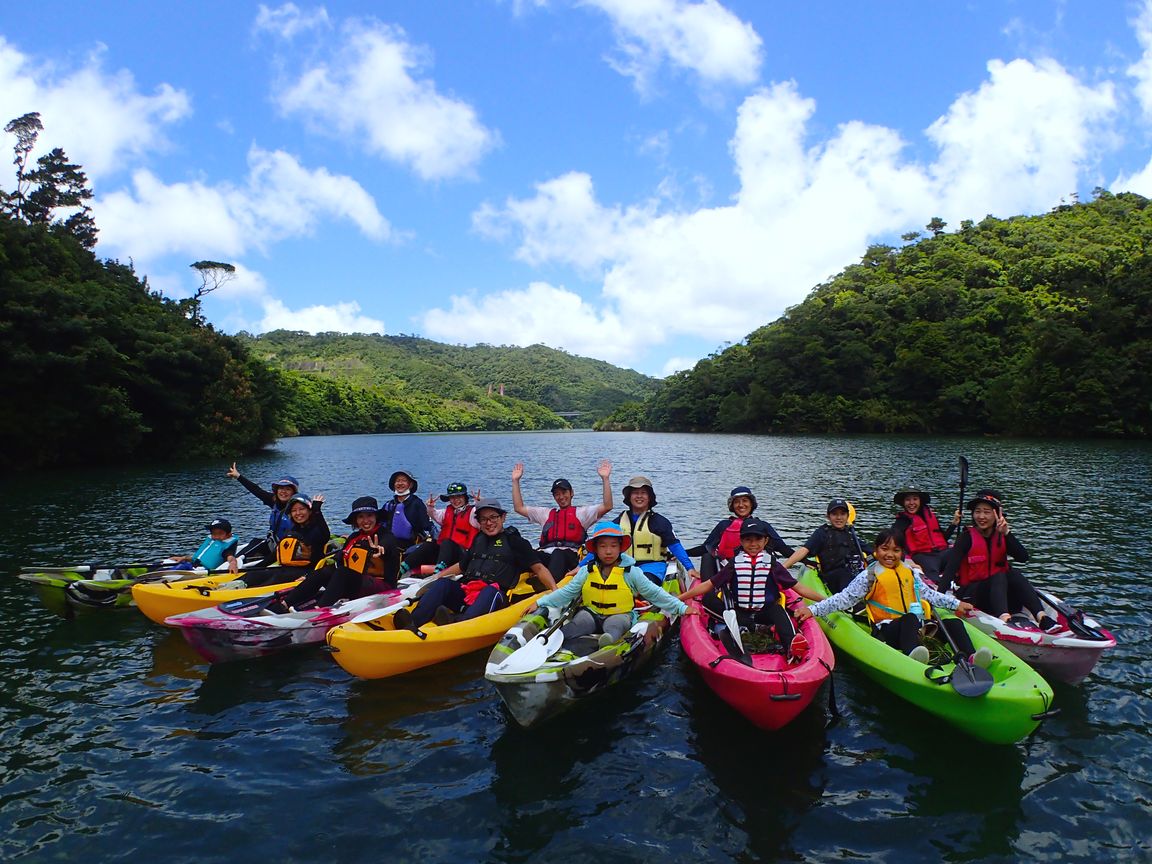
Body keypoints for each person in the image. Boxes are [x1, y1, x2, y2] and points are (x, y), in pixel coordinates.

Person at [794, 529, 991, 666]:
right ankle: (913, 658)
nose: (890, 554)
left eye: (896, 550)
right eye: (885, 549)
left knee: (954, 623)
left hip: (917, 627)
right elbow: (843, 599)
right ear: (876, 550)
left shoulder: (910, 573)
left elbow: (930, 595)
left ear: (902, 552)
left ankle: (971, 657)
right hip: (888, 631)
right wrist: (812, 610)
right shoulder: (869, 576)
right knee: (910, 619)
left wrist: (957, 603)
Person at [393, 499, 555, 629]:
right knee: (443, 584)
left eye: (493, 517)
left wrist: (556, 592)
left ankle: (457, 622)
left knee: (489, 591)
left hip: (494, 596)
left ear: (503, 517)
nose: (489, 523)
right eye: (483, 519)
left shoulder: (516, 542)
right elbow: (462, 566)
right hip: (467, 591)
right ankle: (412, 623)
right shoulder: (478, 539)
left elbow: (539, 568)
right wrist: (436, 578)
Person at [533, 521, 696, 649]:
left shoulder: (631, 572)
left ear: (620, 548)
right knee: (579, 622)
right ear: (595, 549)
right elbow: (566, 593)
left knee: (614, 625)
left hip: (620, 615)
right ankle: (554, 640)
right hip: (591, 612)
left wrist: (681, 608)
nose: (608, 551)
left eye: (613, 546)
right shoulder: (586, 571)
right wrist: (540, 602)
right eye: (603, 546)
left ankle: (608, 643)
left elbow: (656, 594)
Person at [681, 518, 818, 662]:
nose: (753, 544)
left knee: (779, 611)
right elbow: (708, 585)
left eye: (758, 539)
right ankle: (752, 627)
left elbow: (799, 588)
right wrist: (681, 598)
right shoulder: (734, 564)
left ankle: (791, 648)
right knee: (708, 600)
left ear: (765, 541)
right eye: (748, 539)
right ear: (741, 541)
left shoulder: (773, 565)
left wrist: (825, 600)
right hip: (739, 612)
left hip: (765, 612)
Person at [936, 490, 1061, 632]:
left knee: (1013, 574)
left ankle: (1042, 617)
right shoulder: (966, 538)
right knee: (999, 575)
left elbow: (1023, 558)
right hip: (973, 596)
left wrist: (1007, 534)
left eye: (987, 512)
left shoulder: (1002, 534)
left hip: (1001, 596)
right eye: (977, 512)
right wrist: (938, 599)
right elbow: (950, 571)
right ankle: (1005, 619)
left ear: (997, 515)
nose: (981, 516)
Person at [274, 496, 391, 611]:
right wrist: (308, 577)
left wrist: (381, 548)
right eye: (361, 517)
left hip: (381, 587)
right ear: (356, 520)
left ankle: (320, 609)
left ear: (376, 516)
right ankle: (285, 604)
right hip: (356, 583)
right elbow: (338, 560)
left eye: (369, 515)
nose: (365, 521)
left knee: (342, 572)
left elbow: (387, 544)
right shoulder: (354, 537)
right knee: (325, 571)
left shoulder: (385, 536)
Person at [511, 460, 613, 584]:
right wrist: (515, 481)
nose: (561, 497)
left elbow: (607, 506)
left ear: (571, 493)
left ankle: (547, 584)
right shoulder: (546, 514)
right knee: (523, 550)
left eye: (564, 492)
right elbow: (519, 508)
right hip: (547, 556)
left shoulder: (581, 513)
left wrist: (605, 479)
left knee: (559, 553)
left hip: (569, 556)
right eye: (557, 494)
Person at [613, 475, 700, 586]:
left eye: (643, 493)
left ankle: (643, 600)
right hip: (624, 566)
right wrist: (583, 565)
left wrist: (690, 568)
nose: (639, 496)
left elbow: (675, 546)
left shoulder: (660, 522)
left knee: (643, 583)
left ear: (649, 497)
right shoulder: (618, 522)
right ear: (629, 497)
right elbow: (601, 543)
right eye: (635, 493)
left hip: (652, 567)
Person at [231, 493, 331, 588]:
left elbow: (325, 534)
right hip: (286, 569)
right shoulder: (291, 532)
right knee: (254, 575)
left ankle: (247, 593)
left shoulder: (316, 530)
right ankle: (227, 587)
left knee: (276, 578)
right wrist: (253, 569)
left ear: (309, 511)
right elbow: (275, 555)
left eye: (302, 509)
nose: (298, 513)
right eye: (294, 510)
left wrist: (317, 511)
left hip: (308, 572)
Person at [698, 486, 793, 581]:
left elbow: (783, 548)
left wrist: (805, 558)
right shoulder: (723, 525)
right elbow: (705, 548)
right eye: (736, 502)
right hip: (728, 569)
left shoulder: (762, 526)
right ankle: (708, 594)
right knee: (707, 556)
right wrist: (684, 555)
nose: (741, 505)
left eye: (745, 501)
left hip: (758, 571)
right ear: (732, 506)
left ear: (751, 504)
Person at [779, 499, 872, 593]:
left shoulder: (851, 535)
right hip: (833, 575)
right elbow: (804, 550)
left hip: (852, 573)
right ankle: (854, 604)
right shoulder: (822, 533)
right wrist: (783, 568)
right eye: (835, 514)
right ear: (828, 516)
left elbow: (871, 551)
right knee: (843, 575)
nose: (839, 518)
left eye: (842, 514)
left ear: (847, 516)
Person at [400, 482, 480, 577]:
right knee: (429, 545)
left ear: (465, 497)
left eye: (459, 497)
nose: (456, 500)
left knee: (447, 543)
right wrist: (430, 507)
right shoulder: (447, 512)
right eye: (452, 498)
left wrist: (479, 505)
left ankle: (437, 574)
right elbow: (434, 514)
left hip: (462, 556)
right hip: (445, 555)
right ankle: (401, 569)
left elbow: (480, 519)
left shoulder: (472, 513)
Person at [890, 487, 960, 581]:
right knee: (934, 579)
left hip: (942, 553)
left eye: (915, 499)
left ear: (920, 501)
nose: (911, 503)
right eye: (908, 500)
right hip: (923, 557)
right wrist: (908, 561)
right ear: (903, 502)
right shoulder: (901, 522)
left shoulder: (930, 516)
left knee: (962, 551)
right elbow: (896, 545)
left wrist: (954, 524)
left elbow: (942, 539)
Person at [226, 462, 300, 547]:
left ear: (294, 493)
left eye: (288, 489)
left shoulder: (299, 509)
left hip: (289, 547)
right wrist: (238, 476)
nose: (283, 492)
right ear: (276, 490)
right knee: (254, 543)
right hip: (274, 543)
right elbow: (256, 490)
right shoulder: (273, 500)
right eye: (281, 488)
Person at [379, 469, 433, 556]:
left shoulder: (417, 504)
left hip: (410, 545)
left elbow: (427, 526)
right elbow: (380, 524)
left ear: (410, 485)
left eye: (404, 481)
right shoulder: (389, 505)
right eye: (397, 481)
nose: (400, 483)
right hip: (389, 543)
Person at [169, 518, 240, 573]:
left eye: (220, 533)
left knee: (179, 569)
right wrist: (184, 558)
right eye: (214, 533)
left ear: (228, 535)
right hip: (193, 565)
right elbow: (199, 558)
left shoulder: (226, 548)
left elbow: (230, 557)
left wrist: (233, 563)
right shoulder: (212, 542)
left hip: (203, 571)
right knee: (175, 566)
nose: (216, 536)